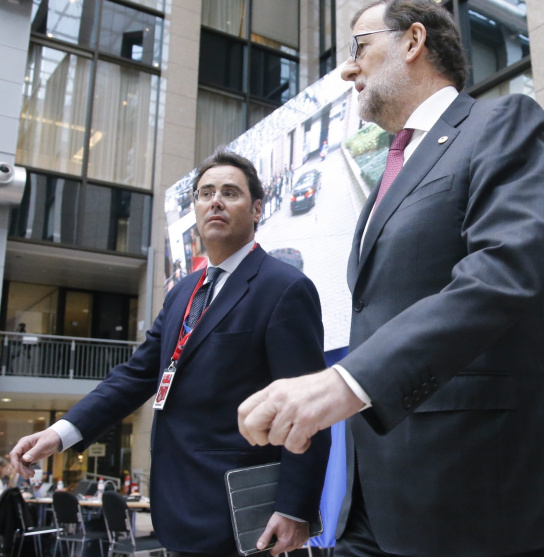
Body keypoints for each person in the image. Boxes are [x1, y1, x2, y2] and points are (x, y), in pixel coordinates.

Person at [237, 1, 544, 555]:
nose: (348, 68)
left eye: (359, 46)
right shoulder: (392, 170)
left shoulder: (501, 123)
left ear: (413, 41)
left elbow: (500, 274)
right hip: (375, 494)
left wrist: (346, 383)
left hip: (476, 491)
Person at [8, 149, 331, 557]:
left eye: (230, 193)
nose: (215, 201)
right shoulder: (182, 292)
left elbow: (307, 408)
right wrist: (60, 433)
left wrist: (295, 507)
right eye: (205, 193)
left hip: (244, 518)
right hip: (176, 509)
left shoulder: (284, 288)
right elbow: (135, 375)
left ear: (257, 210)